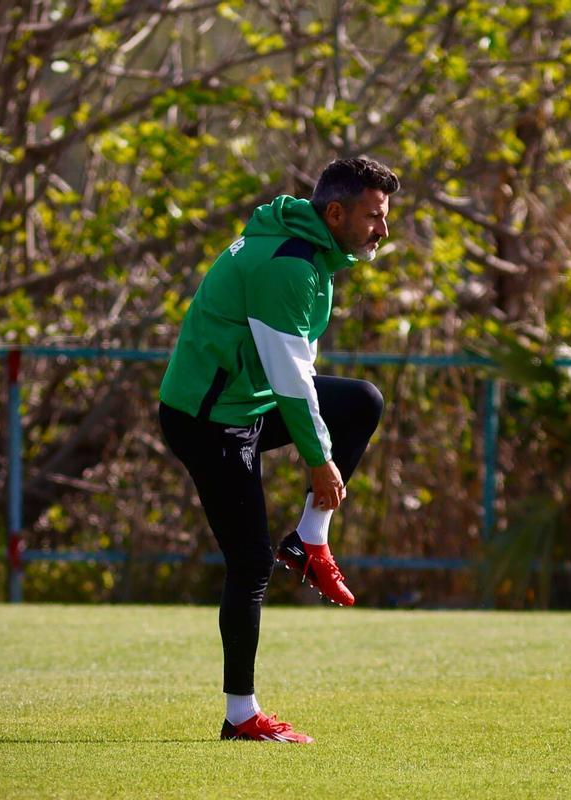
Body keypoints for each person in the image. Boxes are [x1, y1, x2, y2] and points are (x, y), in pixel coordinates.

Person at [157, 158, 400, 744]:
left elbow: (298, 375)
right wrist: (320, 464)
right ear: (335, 212)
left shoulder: (312, 250)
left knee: (360, 400)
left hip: (245, 404)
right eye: (373, 216)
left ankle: (309, 539)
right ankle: (241, 715)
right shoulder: (289, 265)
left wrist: (322, 458)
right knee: (250, 563)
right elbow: (292, 382)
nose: (382, 231)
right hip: (207, 421)